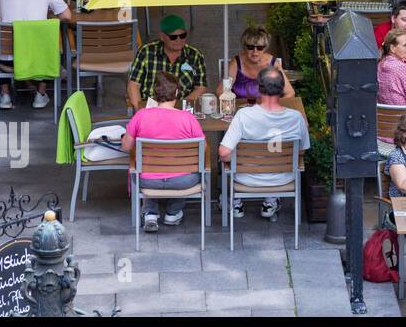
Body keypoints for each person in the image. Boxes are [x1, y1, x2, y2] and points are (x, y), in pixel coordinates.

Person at [219, 67, 310, 220]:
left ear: (258, 88)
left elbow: (224, 153)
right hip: (283, 178)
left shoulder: (243, 115)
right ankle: (271, 200)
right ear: (282, 89)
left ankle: (234, 201)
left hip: (246, 178)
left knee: (225, 158)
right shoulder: (297, 118)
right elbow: (301, 151)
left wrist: (239, 157)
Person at [121, 72, 204, 232]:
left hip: (147, 181)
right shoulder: (188, 118)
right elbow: (203, 148)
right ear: (177, 93)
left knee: (143, 168)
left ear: (154, 92)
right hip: (183, 181)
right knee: (200, 169)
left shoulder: (141, 116)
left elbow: (126, 146)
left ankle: (150, 213)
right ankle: (173, 212)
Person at [127, 13, 209, 111]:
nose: (179, 40)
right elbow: (133, 85)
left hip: (181, 108)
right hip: (151, 108)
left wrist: (182, 107)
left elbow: (201, 87)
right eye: (173, 37)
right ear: (162, 37)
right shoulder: (147, 52)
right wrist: (141, 112)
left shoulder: (195, 55)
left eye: (182, 35)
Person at [225, 24, 294, 100]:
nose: (255, 51)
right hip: (241, 109)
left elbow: (289, 93)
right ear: (245, 47)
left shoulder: (273, 63)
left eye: (259, 47)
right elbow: (221, 91)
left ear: (265, 48)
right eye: (250, 47)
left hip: (267, 110)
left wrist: (273, 106)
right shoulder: (236, 63)